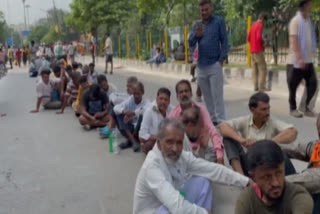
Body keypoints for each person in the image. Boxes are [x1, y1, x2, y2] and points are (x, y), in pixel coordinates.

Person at [133, 118, 251, 214]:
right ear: (159, 144)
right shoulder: (152, 166)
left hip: (172, 202)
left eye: (179, 142)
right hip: (155, 211)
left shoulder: (182, 156)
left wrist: (246, 181)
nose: (175, 148)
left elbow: (212, 169)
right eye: (169, 142)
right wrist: (203, 213)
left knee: (203, 180)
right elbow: (176, 206)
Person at [219, 92, 298, 175]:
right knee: (228, 139)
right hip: (249, 165)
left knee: (281, 156)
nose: (267, 113)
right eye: (263, 109)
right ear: (252, 110)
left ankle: (291, 181)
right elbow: (223, 126)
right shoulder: (245, 121)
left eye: (268, 108)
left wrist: (268, 143)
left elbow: (293, 131)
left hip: (266, 166)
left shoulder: (272, 122)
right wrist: (242, 140)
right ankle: (240, 177)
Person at [235, 140, 313, 214]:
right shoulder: (246, 200)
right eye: (267, 177)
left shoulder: (298, 196)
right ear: (253, 177)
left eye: (279, 173)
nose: (275, 183)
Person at [188, 0, 228, 125]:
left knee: (217, 97)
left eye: (206, 9)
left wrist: (221, 60)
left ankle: (222, 122)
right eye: (202, 10)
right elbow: (190, 43)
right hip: (201, 66)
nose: (204, 12)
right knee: (207, 97)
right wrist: (196, 35)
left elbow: (225, 41)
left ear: (211, 8)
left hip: (214, 64)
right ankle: (212, 121)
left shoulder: (218, 21)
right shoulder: (197, 25)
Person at [169, 80, 224, 164]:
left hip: (202, 149)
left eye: (186, 91)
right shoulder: (173, 115)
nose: (184, 94)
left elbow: (213, 131)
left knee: (214, 161)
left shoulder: (201, 110)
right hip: (183, 153)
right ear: (177, 96)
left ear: (191, 93)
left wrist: (220, 156)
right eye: (181, 92)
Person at [287, 0, 317, 118]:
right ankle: (293, 109)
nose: (311, 6)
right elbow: (294, 40)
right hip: (295, 61)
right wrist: (299, 58)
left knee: (313, 84)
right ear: (305, 5)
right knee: (293, 86)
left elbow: (311, 38)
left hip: (308, 60)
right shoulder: (295, 21)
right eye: (310, 3)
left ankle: (305, 108)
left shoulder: (308, 21)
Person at [113, 82, 151, 152]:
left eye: (138, 94)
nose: (136, 96)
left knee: (142, 116)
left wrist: (133, 114)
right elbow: (116, 108)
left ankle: (130, 141)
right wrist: (124, 111)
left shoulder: (147, 102)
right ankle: (133, 141)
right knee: (118, 113)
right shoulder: (131, 99)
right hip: (129, 128)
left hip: (139, 129)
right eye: (134, 93)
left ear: (143, 93)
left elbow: (146, 110)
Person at [139, 87, 174, 154]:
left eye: (166, 100)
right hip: (154, 139)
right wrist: (160, 137)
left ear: (169, 101)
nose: (163, 102)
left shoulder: (172, 109)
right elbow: (142, 135)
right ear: (157, 99)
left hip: (167, 138)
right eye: (161, 99)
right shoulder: (149, 110)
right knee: (149, 145)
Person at [248, 12, 269, 92]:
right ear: (263, 19)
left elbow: (249, 38)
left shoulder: (253, 25)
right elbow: (259, 37)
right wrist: (263, 42)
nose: (264, 23)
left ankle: (255, 86)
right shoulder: (260, 25)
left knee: (254, 69)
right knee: (263, 68)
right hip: (258, 50)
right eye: (265, 21)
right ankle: (262, 87)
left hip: (252, 51)